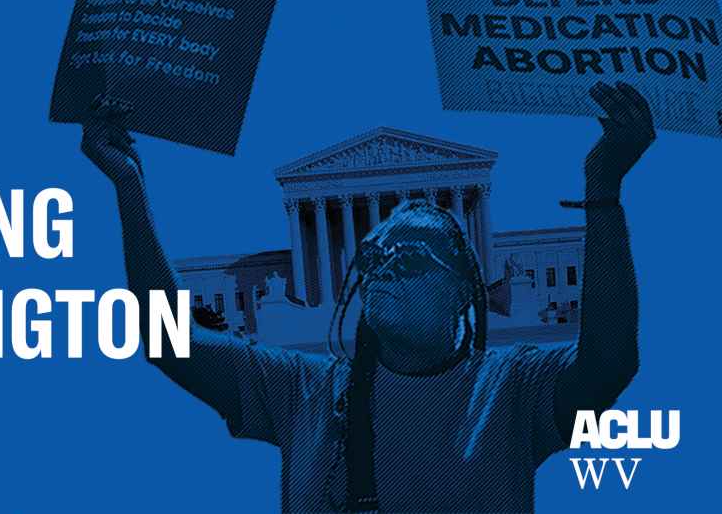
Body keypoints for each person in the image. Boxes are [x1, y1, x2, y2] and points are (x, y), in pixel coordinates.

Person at [81, 81, 655, 512]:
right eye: (373, 259)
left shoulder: (511, 391)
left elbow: (609, 362)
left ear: (463, 291)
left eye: (408, 258)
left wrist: (603, 191)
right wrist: (130, 188)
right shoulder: (302, 389)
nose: (383, 269)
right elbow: (165, 338)